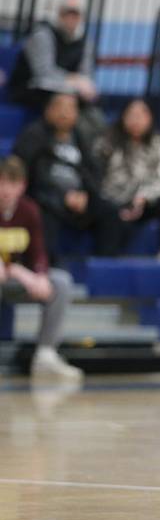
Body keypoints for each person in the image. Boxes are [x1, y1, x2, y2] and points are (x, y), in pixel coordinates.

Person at [13, 93, 123, 264]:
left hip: (77, 198)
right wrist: (60, 196)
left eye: (70, 108)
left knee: (110, 211)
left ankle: (104, 265)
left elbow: (93, 172)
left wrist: (85, 194)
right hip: (45, 199)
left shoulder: (81, 137)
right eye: (59, 107)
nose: (64, 113)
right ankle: (48, 267)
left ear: (77, 114)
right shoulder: (33, 135)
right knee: (41, 213)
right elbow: (25, 176)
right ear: (48, 110)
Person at [0, 156, 81, 381]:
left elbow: (38, 250)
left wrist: (40, 274)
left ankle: (45, 355)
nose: (6, 190)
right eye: (1, 182)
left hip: (17, 279)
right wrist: (11, 269)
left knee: (60, 282)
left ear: (22, 186)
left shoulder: (29, 210)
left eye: (12, 183)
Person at [94, 99, 160, 263]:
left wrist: (142, 198)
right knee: (108, 214)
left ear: (150, 118)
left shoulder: (158, 142)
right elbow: (97, 176)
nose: (137, 120)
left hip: (143, 201)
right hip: (112, 200)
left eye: (142, 115)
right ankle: (107, 260)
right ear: (123, 117)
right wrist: (122, 203)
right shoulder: (107, 142)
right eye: (132, 115)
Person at [8, 0, 97, 109]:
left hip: (66, 90)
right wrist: (72, 79)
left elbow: (86, 74)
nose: (71, 19)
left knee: (91, 100)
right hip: (30, 88)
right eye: (67, 14)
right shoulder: (42, 35)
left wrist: (83, 84)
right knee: (63, 102)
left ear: (81, 18)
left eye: (76, 15)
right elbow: (43, 72)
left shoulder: (85, 42)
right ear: (59, 15)